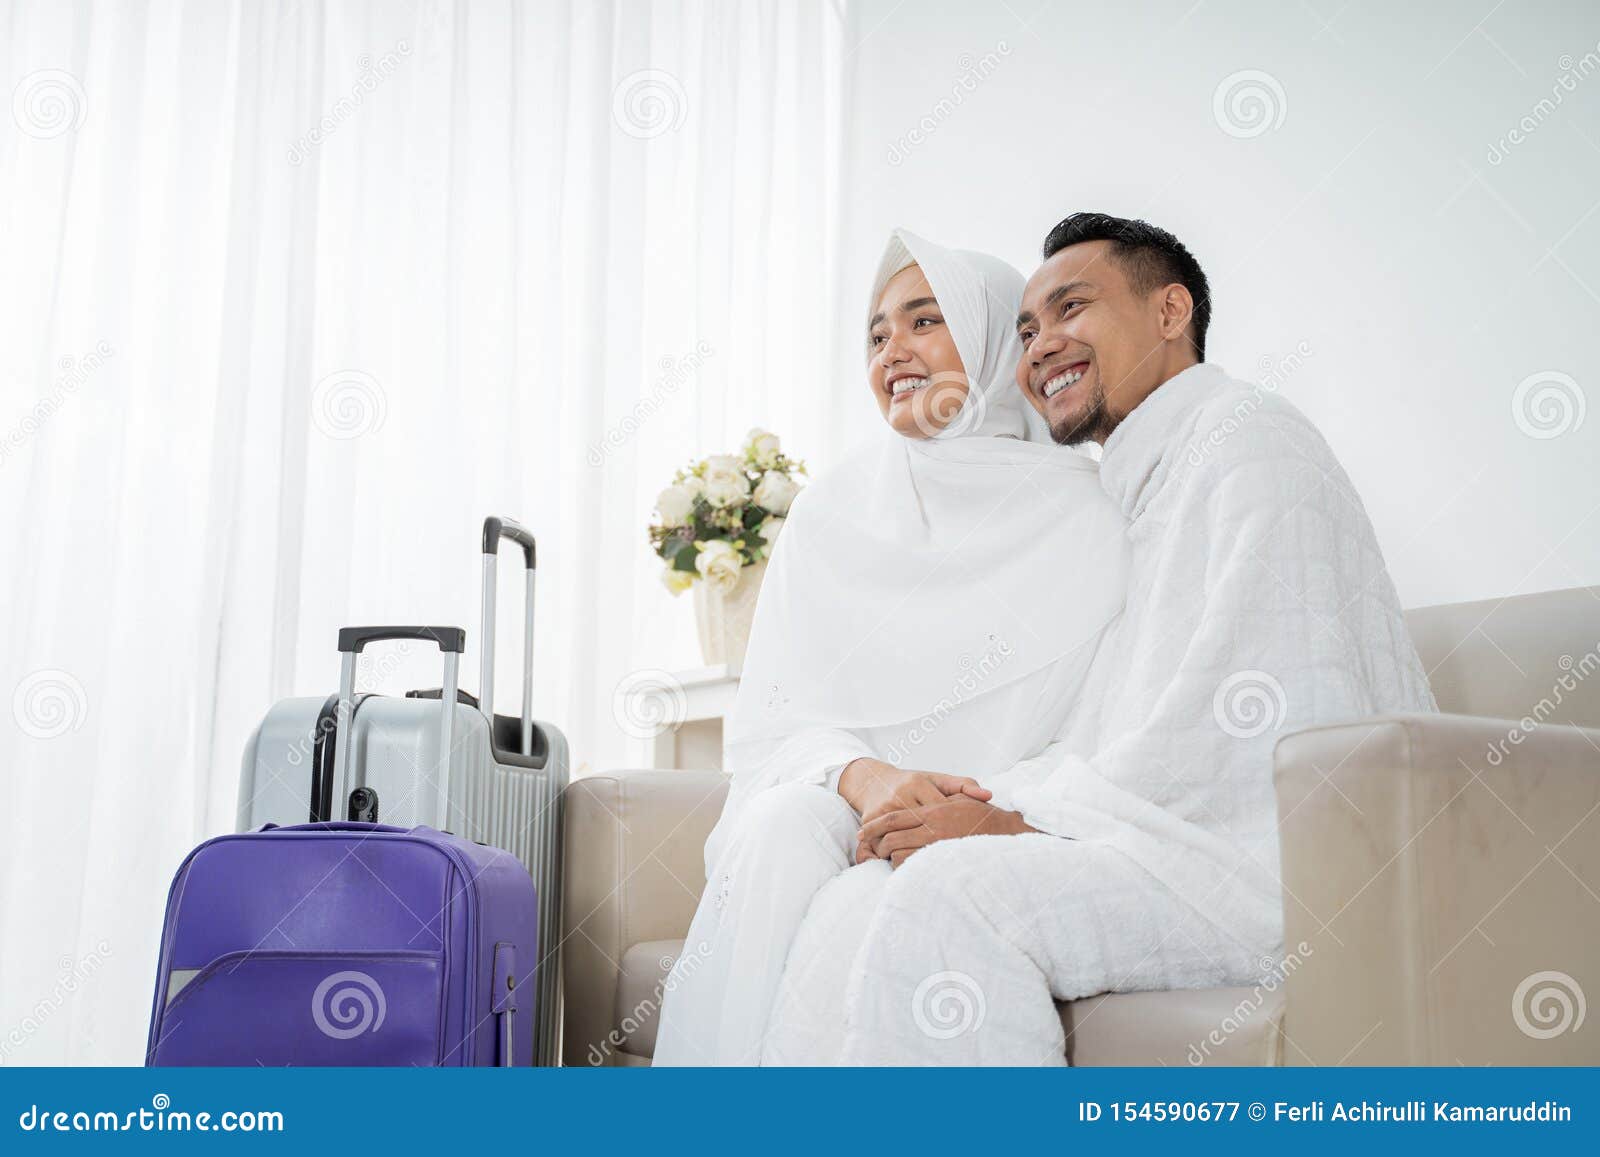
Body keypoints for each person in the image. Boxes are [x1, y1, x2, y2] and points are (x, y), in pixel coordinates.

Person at [835, 212, 1438, 1064]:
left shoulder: (1247, 441)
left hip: (1269, 871)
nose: (1041, 346)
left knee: (953, 897)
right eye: (1027, 329)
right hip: (1174, 846)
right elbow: (1119, 726)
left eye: (1071, 309)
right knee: (881, 876)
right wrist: (989, 797)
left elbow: (1247, 739)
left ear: (1169, 313)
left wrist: (1016, 824)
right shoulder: (1134, 490)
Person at [651, 229, 1130, 1065]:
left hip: (998, 813)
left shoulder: (1096, 514)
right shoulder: (832, 511)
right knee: (777, 829)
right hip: (847, 799)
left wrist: (971, 811)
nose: (893, 353)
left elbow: (1109, 731)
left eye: (923, 321)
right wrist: (867, 777)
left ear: (990, 342)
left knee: (877, 901)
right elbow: (773, 723)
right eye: (876, 336)